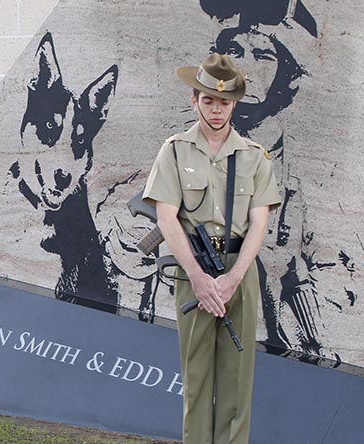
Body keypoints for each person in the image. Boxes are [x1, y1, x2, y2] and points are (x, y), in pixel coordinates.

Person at [142, 53, 281, 443]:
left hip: (240, 268)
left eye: (223, 102)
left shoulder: (254, 157)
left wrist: (234, 278)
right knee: (197, 377)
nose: (216, 109)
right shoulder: (173, 150)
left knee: (237, 382)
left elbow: (259, 223)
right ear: (194, 100)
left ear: (233, 103)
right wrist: (200, 280)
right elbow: (167, 219)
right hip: (194, 269)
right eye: (208, 100)